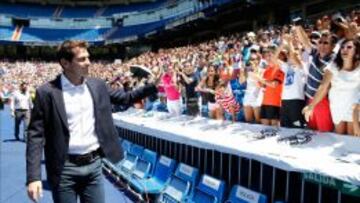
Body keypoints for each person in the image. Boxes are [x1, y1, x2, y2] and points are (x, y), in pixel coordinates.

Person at [26, 40, 158, 203]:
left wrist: (153, 86)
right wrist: (33, 176)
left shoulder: (98, 85)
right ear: (65, 63)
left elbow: (125, 98)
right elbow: (36, 135)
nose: (88, 62)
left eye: (88, 57)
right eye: (82, 59)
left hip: (94, 166)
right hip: (63, 169)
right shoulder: (47, 92)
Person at [303, 39, 360, 135]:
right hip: (337, 106)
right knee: (339, 135)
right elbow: (323, 86)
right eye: (342, 47)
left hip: (354, 107)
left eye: (349, 47)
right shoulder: (333, 66)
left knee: (353, 136)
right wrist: (311, 106)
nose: (344, 49)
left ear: (356, 51)